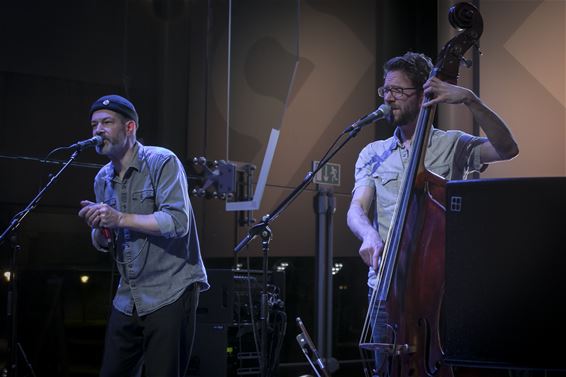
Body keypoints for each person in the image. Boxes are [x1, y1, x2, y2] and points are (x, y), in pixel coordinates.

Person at [347, 52, 518, 375]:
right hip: (385, 289)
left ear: (423, 94)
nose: (389, 97)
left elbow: (507, 149)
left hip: (438, 291)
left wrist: (470, 100)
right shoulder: (373, 153)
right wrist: (368, 234)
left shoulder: (453, 145)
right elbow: (357, 208)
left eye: (398, 91)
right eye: (385, 90)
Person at [78, 94, 208, 377]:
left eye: (106, 122)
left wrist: (119, 218)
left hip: (170, 289)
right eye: (94, 124)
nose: (98, 130)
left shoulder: (162, 161)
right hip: (128, 296)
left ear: (130, 128)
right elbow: (106, 241)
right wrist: (99, 229)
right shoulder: (102, 178)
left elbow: (177, 221)